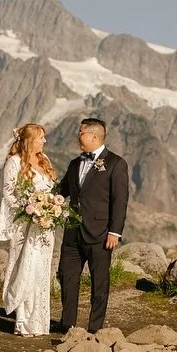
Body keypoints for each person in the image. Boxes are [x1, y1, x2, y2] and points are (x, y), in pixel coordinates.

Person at [55, 118, 130, 333]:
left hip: (101, 234)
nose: (78, 136)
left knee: (99, 283)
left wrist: (114, 232)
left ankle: (94, 330)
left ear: (94, 136)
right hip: (72, 233)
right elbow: (62, 191)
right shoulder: (75, 163)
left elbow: (120, 201)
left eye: (81, 132)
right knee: (67, 278)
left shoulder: (116, 163)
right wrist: (41, 202)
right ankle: (67, 325)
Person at [0, 123, 59, 336]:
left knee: (41, 272)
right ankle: (23, 323)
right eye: (41, 137)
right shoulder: (13, 163)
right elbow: (8, 194)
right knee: (26, 270)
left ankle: (40, 323)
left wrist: (50, 207)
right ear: (29, 140)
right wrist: (29, 206)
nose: (44, 141)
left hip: (45, 227)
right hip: (25, 226)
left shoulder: (45, 160)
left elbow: (51, 190)